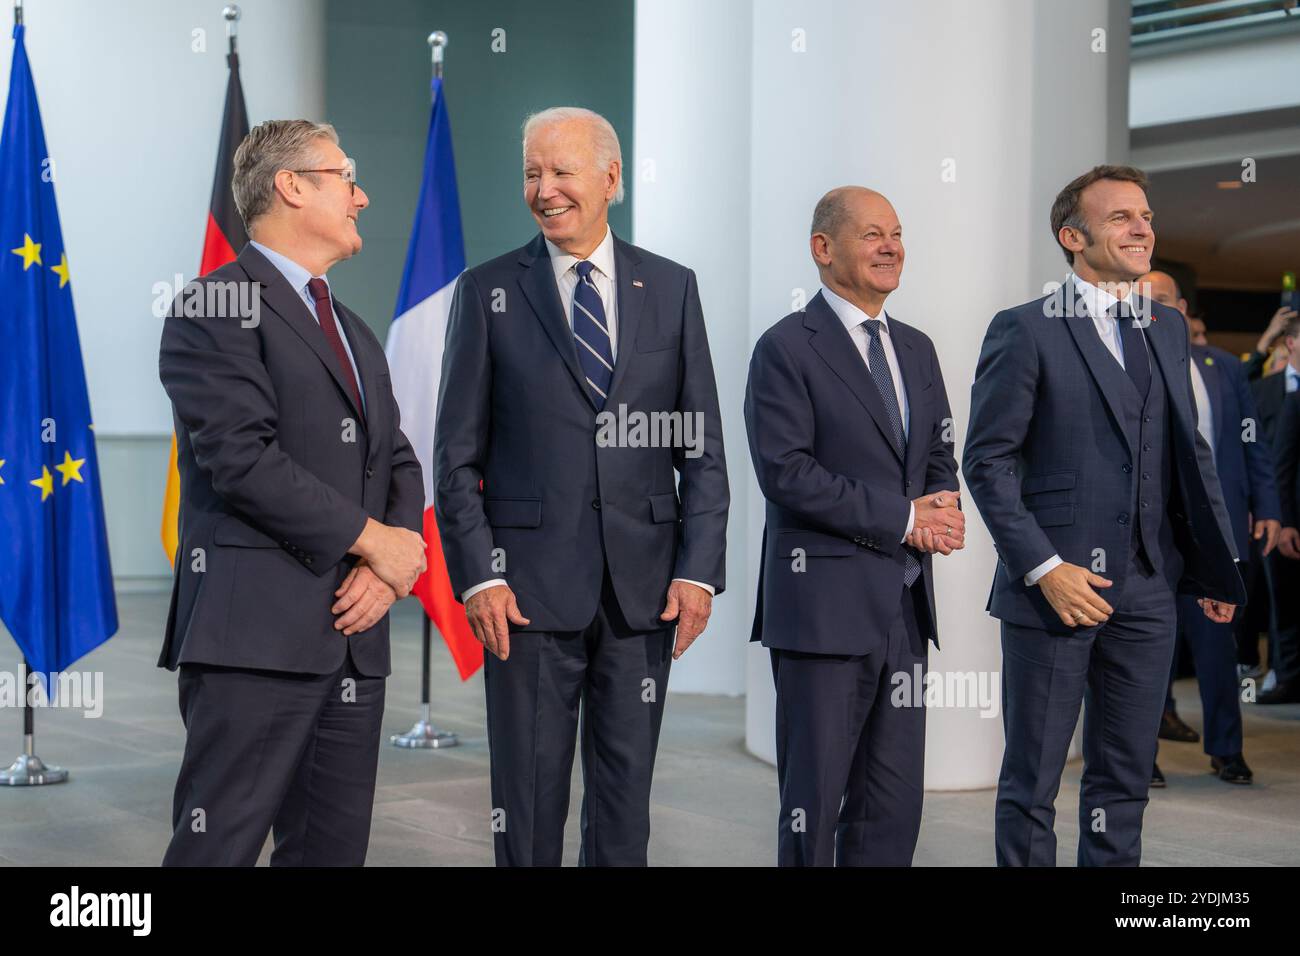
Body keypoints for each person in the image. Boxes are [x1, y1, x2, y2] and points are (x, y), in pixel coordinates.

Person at [433, 107, 729, 866]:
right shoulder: (487, 290)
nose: (544, 188)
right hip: (524, 595)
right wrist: (478, 580)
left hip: (645, 595)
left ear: (610, 178)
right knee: (527, 805)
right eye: (532, 172)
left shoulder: (671, 287)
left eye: (561, 170)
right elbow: (455, 459)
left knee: (626, 804)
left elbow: (700, 450)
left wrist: (698, 571)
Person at [158, 120, 427, 865]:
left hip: (353, 643)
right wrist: (374, 541)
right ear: (292, 185)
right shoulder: (212, 308)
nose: (362, 196)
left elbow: (396, 459)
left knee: (331, 854)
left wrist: (383, 567)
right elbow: (241, 460)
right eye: (347, 176)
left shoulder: (353, 327)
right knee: (220, 848)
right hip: (255, 640)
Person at [964, 165, 1245, 867]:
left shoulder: (1168, 328)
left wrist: (1214, 566)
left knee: (1123, 781)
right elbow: (987, 461)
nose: (1143, 227)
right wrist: (1044, 568)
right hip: (1058, 590)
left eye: (1145, 215)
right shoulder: (1024, 329)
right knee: (1033, 780)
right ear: (1072, 236)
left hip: (1150, 590)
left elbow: (1190, 451)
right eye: (1121, 217)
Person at [744, 186, 963, 866]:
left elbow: (937, 453)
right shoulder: (785, 347)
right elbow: (786, 473)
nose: (891, 246)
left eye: (896, 233)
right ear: (823, 248)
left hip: (903, 611)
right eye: (872, 234)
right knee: (813, 807)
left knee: (893, 810)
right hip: (821, 615)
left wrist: (942, 506)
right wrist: (904, 518)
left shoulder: (918, 349)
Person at [1141, 270, 1278, 784]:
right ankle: (1143, 755)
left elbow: (1252, 443)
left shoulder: (1222, 367)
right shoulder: (1126, 361)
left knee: (1219, 647)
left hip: (1216, 534)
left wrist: (1267, 507)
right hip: (1150, 536)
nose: (1151, 307)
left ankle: (1227, 749)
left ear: (1181, 308)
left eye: (1159, 299)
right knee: (1147, 649)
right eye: (1140, 300)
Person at [1249, 311, 1300, 704]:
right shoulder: (1266, 391)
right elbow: (1277, 460)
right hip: (1279, 512)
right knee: (1279, 596)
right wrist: (1279, 518)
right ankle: (1284, 674)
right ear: (1291, 343)